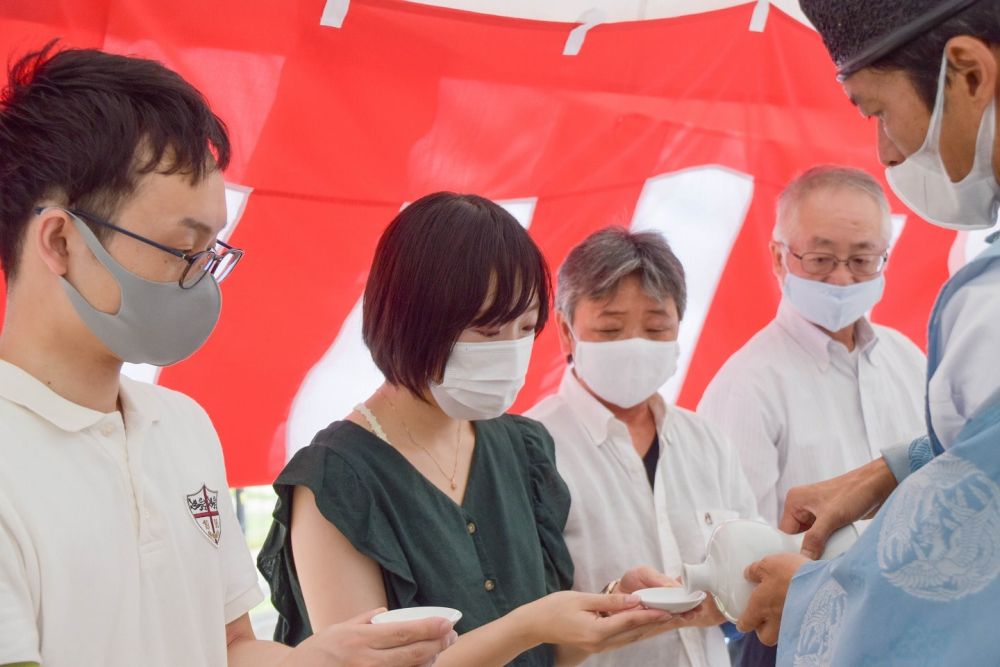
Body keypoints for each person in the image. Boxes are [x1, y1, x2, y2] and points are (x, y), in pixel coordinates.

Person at [0, 44, 454, 667]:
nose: (199, 283)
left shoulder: (181, 426)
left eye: (211, 254)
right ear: (60, 240)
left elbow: (227, 645)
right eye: (182, 250)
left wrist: (322, 659)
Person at [258, 193, 679, 667]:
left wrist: (608, 610)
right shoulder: (336, 480)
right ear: (411, 318)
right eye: (488, 332)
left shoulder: (524, 449)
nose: (511, 352)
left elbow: (550, 654)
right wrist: (531, 624)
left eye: (525, 328)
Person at [735, 2, 1000, 664]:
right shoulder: (748, 379)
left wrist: (819, 597)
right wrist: (895, 467)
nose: (884, 149)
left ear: (968, 74)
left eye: (878, 111)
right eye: (821, 257)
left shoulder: (985, 311)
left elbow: (966, 582)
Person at [697, 166, 927, 665]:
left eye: (863, 259)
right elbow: (734, 559)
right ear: (779, 257)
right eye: (821, 259)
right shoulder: (747, 384)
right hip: (800, 638)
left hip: (911, 625)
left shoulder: (911, 362)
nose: (842, 278)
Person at [526, 227, 759, 667]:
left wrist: (731, 598)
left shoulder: (706, 442)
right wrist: (612, 600)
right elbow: (518, 616)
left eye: (656, 329)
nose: (634, 347)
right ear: (565, 330)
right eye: (610, 329)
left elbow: (752, 568)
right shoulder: (531, 447)